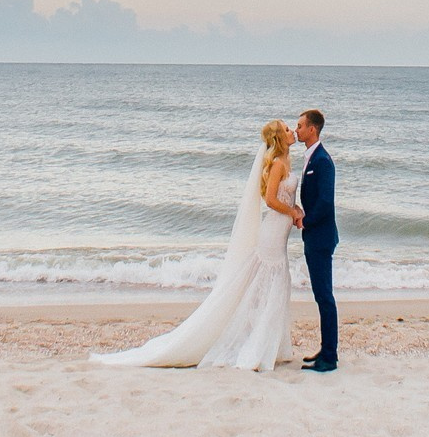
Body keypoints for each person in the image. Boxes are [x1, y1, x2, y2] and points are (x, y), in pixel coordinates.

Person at [91, 119, 306, 370]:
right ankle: (256, 345)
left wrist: (295, 209)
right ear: (280, 137)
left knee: (275, 286)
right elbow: (270, 200)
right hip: (271, 234)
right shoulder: (278, 163)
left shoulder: (286, 162)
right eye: (287, 129)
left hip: (279, 233)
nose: (292, 131)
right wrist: (292, 212)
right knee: (268, 286)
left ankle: (269, 343)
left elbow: (282, 196)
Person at [294, 108, 337, 371]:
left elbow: (325, 202)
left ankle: (329, 358)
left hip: (320, 237)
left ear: (313, 129)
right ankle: (326, 349)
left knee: (325, 296)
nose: (296, 130)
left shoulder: (322, 161)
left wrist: (305, 221)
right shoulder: (311, 158)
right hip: (314, 236)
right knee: (321, 296)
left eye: (300, 126)